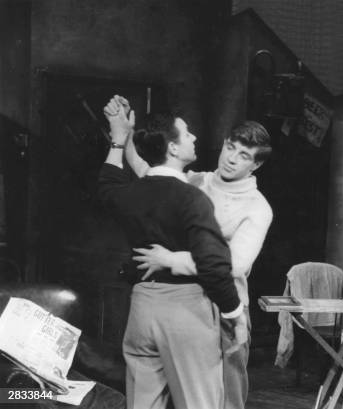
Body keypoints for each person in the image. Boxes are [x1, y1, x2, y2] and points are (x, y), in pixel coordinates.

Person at [118, 96, 273, 409]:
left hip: (226, 307)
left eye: (244, 156)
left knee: (224, 400)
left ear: (255, 165)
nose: (231, 159)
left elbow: (236, 263)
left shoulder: (258, 207)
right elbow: (148, 170)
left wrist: (171, 260)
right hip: (182, 306)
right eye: (230, 147)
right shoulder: (195, 181)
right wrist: (125, 136)